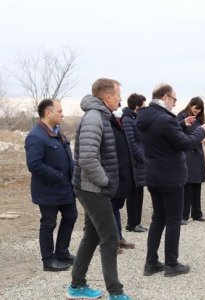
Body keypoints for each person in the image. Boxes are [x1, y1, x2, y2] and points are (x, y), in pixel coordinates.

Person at [67, 78, 131, 300]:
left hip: (93, 187)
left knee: (92, 235)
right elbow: (87, 158)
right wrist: (105, 181)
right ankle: (116, 292)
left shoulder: (101, 116)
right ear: (108, 97)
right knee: (110, 237)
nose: (121, 99)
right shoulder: (94, 118)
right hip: (92, 188)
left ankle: (76, 286)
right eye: (118, 95)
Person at [137, 83, 205, 277]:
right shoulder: (164, 120)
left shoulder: (146, 117)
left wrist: (181, 125)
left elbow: (163, 136)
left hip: (154, 175)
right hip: (171, 177)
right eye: (174, 99)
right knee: (173, 220)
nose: (175, 104)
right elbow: (184, 143)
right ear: (165, 97)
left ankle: (151, 263)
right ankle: (171, 265)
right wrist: (200, 132)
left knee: (158, 218)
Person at [25, 99, 77, 272]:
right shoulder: (36, 136)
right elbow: (34, 164)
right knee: (48, 224)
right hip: (48, 190)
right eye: (59, 111)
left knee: (71, 216)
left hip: (65, 188)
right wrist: (57, 175)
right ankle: (48, 260)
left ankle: (62, 252)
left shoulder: (58, 132)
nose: (62, 114)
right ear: (48, 113)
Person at [176, 97, 205, 225]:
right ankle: (184, 215)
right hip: (187, 155)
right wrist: (193, 137)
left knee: (197, 185)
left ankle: (197, 213)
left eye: (199, 110)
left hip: (198, 154)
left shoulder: (200, 119)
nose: (197, 112)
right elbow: (176, 132)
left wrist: (203, 138)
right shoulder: (182, 116)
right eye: (195, 109)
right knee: (188, 185)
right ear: (190, 105)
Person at [110, 108, 136, 253]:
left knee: (116, 209)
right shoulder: (109, 126)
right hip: (113, 175)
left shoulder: (119, 127)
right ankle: (110, 242)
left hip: (122, 176)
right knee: (110, 210)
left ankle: (119, 238)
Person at [122, 93, 147, 233]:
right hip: (133, 163)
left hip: (139, 163)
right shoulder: (127, 119)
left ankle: (137, 222)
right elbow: (131, 143)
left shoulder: (135, 118)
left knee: (139, 193)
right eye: (143, 104)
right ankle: (132, 223)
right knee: (133, 195)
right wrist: (142, 157)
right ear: (137, 105)